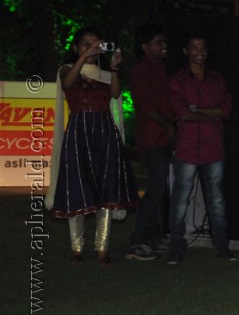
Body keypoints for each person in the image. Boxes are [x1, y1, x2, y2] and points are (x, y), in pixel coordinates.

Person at [48, 28, 139, 263]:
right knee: (78, 188)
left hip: (104, 133)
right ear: (76, 47)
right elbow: (68, 83)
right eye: (85, 43)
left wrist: (115, 69)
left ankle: (102, 248)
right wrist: (84, 57)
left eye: (95, 43)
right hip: (79, 133)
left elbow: (116, 94)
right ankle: (77, 248)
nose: (91, 47)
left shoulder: (104, 74)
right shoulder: (68, 70)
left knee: (105, 188)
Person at [166, 34, 236, 264]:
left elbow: (225, 110)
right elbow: (182, 113)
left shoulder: (216, 79)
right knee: (180, 201)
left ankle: (221, 246)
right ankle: (176, 247)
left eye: (203, 47)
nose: (199, 51)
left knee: (216, 201)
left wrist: (198, 110)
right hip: (187, 149)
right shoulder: (178, 80)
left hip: (213, 148)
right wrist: (210, 113)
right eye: (194, 47)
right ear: (186, 51)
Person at [127, 24, 174, 260]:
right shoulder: (142, 70)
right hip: (152, 137)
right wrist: (168, 125)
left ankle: (154, 239)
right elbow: (145, 106)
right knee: (156, 188)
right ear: (145, 47)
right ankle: (137, 240)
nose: (164, 46)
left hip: (162, 137)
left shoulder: (160, 69)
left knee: (159, 189)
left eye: (164, 42)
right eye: (158, 43)